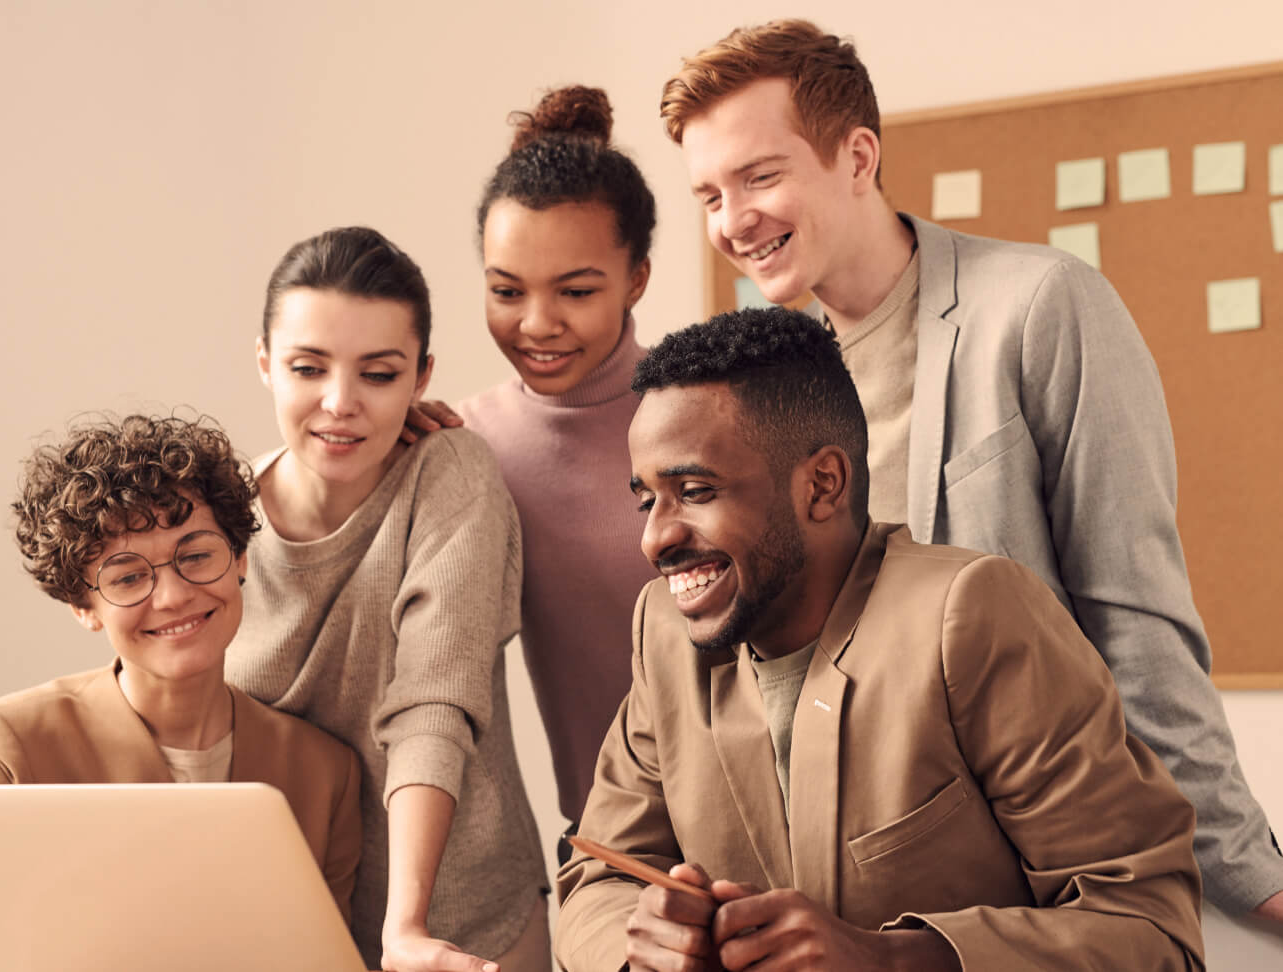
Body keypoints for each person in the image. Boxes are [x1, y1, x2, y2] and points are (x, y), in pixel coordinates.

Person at [659, 17, 1283, 919]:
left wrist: (1246, 873)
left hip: (1052, 873)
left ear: (859, 156)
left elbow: (1135, 617)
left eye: (760, 176)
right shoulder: (768, 387)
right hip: (855, 891)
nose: (732, 221)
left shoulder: (1039, 308)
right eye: (709, 194)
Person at [556, 307, 1204, 971]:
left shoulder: (971, 617)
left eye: (694, 491)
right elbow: (595, 879)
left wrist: (892, 959)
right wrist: (645, 946)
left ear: (823, 484)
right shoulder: (664, 630)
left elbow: (1152, 931)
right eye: (647, 500)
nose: (654, 538)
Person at [0, 414, 362, 972]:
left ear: (239, 559)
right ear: (82, 606)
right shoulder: (3, 744)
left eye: (195, 555)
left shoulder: (324, 771)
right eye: (126, 577)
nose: (172, 596)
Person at [224, 227, 547, 972]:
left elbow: (433, 700)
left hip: (459, 922)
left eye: (378, 374)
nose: (340, 404)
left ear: (420, 378)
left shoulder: (450, 475)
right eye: (309, 368)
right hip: (285, 927)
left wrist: (405, 930)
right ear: (267, 364)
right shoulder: (218, 515)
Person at [457, 85, 657, 845]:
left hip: (779, 827)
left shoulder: (708, 414)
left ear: (636, 277)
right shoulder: (466, 444)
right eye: (507, 290)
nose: (536, 325)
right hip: (614, 847)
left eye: (575, 291)